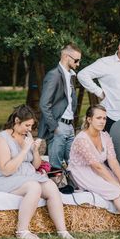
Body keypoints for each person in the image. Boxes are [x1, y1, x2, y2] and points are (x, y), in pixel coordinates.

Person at [0, 105, 75, 239]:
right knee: (34, 186)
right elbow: (6, 169)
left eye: (31, 126)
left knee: (51, 185)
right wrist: (24, 150)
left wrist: (34, 150)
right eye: (27, 125)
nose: (30, 129)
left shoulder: (26, 136)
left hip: (26, 176)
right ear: (16, 121)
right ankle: (22, 231)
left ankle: (62, 231)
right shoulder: (2, 139)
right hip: (3, 178)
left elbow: (36, 165)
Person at [38, 43, 81, 171]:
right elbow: (44, 104)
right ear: (67, 57)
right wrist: (54, 127)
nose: (78, 64)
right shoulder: (54, 75)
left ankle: (69, 187)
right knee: (56, 166)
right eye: (76, 60)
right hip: (59, 125)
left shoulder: (70, 76)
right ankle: (57, 190)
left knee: (72, 163)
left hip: (70, 126)